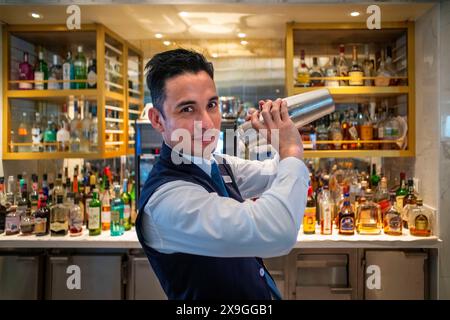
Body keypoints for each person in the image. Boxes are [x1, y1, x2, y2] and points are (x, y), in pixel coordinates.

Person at [136, 48, 310, 300]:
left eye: (212, 105)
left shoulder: (215, 164)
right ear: (157, 119)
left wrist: (277, 138)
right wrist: (290, 148)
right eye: (187, 109)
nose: (207, 123)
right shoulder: (167, 201)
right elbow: (278, 231)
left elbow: (275, 173)